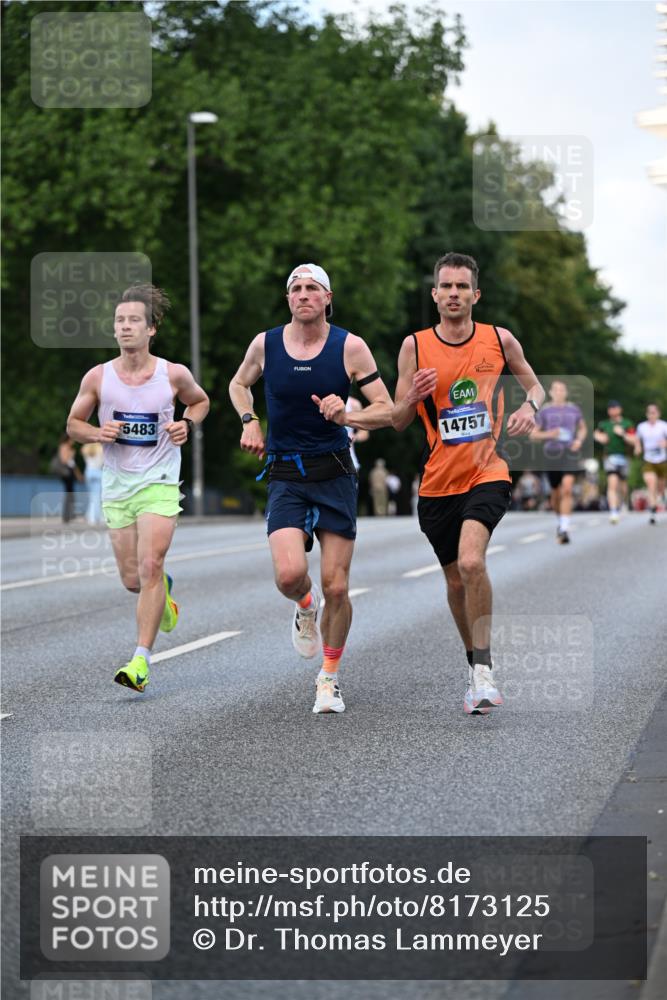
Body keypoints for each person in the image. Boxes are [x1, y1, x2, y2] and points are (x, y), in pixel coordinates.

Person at [229, 263, 393, 714]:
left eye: (312, 288)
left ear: (327, 298)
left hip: (336, 472)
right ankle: (304, 605)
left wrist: (347, 417)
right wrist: (249, 419)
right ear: (288, 299)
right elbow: (239, 383)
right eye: (296, 288)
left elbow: (388, 410)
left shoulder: (350, 346)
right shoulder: (265, 344)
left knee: (337, 588)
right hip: (285, 473)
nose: (303, 294)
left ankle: (329, 678)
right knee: (288, 575)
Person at [393, 251, 544, 716]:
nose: (454, 294)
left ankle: (484, 671)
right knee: (455, 580)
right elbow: (398, 420)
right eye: (446, 286)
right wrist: (413, 395)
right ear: (435, 294)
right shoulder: (414, 347)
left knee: (472, 561)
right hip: (438, 483)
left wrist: (528, 408)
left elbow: (535, 387)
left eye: (462, 287)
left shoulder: (499, 339)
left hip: (488, 471)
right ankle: (472, 660)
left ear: (475, 294)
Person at [66, 284, 210, 692]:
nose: (125, 327)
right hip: (117, 484)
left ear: (151, 330)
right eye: (120, 321)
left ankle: (140, 662)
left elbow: (199, 402)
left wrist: (188, 424)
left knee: (149, 565)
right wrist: (98, 431)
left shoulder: (173, 374)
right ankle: (162, 592)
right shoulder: (99, 377)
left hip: (159, 481)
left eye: (134, 321)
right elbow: (73, 424)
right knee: (133, 579)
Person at [529, 379, 587, 543]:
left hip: (569, 452)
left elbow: (582, 428)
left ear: (566, 392)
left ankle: (564, 527)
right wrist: (550, 434)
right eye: (556, 390)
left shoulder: (574, 409)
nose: (559, 392)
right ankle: (560, 520)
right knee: (555, 495)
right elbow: (533, 434)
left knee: (567, 489)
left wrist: (579, 441)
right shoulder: (545, 411)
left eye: (562, 390)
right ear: (551, 392)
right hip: (552, 454)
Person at [593, 400, 635, 523]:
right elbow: (596, 434)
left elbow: (634, 440)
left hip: (624, 456)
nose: (612, 410)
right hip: (610, 457)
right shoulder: (604, 424)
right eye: (610, 408)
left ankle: (623, 504)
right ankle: (613, 511)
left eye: (615, 408)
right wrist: (601, 438)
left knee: (623, 486)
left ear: (619, 409)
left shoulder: (627, 423)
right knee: (612, 483)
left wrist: (622, 434)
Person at [634, 403, 667, 525]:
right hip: (648, 460)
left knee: (661, 487)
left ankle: (662, 495)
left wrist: (665, 443)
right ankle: (653, 510)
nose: (652, 415)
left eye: (654, 413)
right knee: (651, 484)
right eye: (649, 413)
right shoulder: (642, 427)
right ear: (647, 414)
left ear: (658, 414)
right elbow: (637, 439)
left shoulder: (663, 426)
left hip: (662, 460)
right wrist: (637, 447)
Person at [54, 434, 83, 523]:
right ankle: (66, 516)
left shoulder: (70, 449)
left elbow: (73, 465)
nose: (73, 442)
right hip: (66, 473)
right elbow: (64, 460)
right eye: (72, 440)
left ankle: (70, 515)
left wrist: (78, 475)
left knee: (71, 494)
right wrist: (71, 454)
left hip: (70, 472)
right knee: (69, 494)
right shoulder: (63, 447)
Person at [81, 441, 104, 524]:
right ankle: (94, 518)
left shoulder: (85, 449)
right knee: (97, 497)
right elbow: (102, 462)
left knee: (92, 496)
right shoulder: (101, 449)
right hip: (98, 473)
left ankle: (90, 516)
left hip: (88, 472)